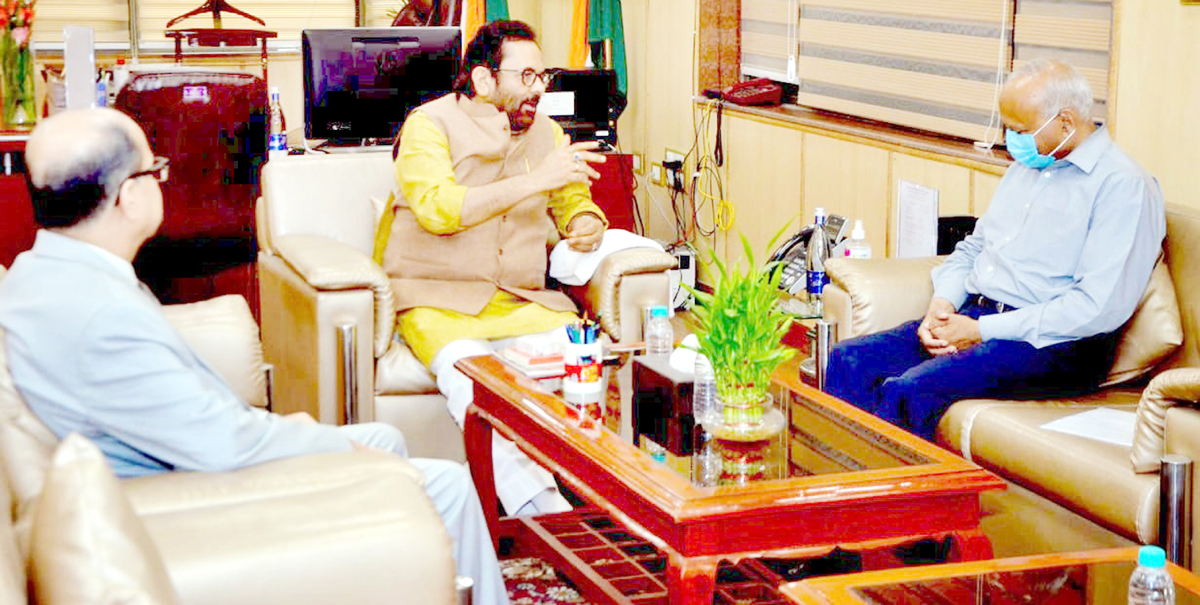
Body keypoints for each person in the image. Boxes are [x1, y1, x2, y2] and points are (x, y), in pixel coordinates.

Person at [0, 108, 509, 605]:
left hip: (176, 458)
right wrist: (329, 444)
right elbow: (222, 443)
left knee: (386, 437)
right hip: (188, 493)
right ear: (129, 196)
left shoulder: (44, 272)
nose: (162, 182)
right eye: (156, 169)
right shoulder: (101, 316)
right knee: (446, 484)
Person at [824, 59, 1166, 442]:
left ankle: (883, 482)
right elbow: (974, 247)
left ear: (1066, 122)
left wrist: (981, 331)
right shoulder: (1027, 168)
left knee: (910, 390)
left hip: (1056, 344)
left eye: (1020, 130)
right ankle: (839, 475)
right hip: (979, 314)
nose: (1010, 141)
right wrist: (943, 304)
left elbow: (1095, 308)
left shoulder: (1124, 186)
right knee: (848, 359)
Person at [378, 20, 608, 516]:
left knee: (586, 363)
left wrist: (586, 222)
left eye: (542, 76)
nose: (538, 88)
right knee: (479, 387)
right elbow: (438, 209)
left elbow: (573, 199)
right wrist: (535, 181)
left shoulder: (547, 133)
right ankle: (546, 514)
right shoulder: (428, 125)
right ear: (484, 79)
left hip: (523, 302)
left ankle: (601, 496)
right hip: (439, 301)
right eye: (525, 76)